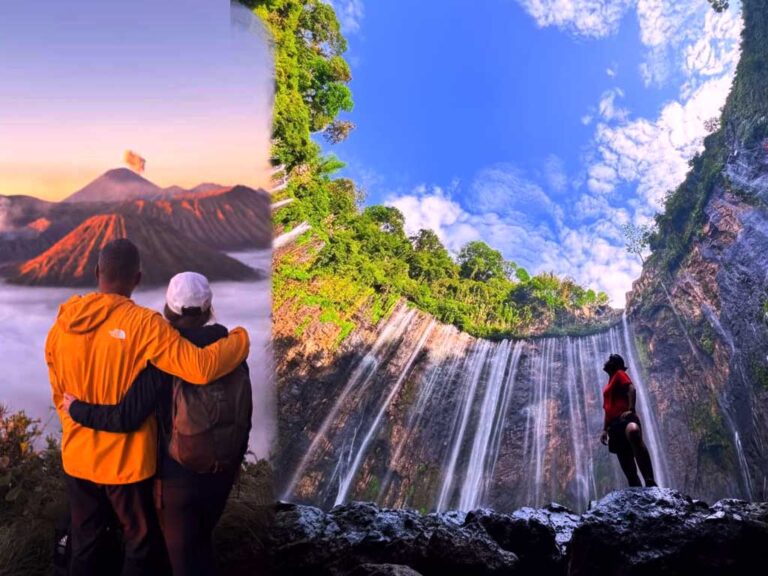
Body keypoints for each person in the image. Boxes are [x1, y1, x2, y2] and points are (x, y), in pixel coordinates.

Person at [46, 239, 250, 576]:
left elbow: (59, 396)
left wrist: (78, 426)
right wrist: (241, 340)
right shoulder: (145, 325)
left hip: (77, 456)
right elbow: (198, 368)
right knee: (139, 544)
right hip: (126, 464)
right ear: (138, 278)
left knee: (84, 541)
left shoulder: (61, 325)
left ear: (97, 272)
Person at [599, 353, 658, 488]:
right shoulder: (608, 386)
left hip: (624, 418)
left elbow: (631, 389)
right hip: (613, 425)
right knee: (626, 462)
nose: (605, 362)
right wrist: (604, 429)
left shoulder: (619, 373)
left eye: (608, 360)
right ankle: (636, 491)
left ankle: (650, 480)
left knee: (633, 431)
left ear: (614, 364)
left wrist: (631, 409)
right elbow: (607, 410)